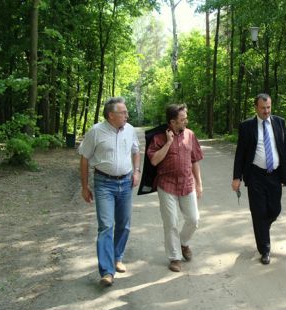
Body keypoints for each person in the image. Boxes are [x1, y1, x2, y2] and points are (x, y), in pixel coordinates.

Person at [78, 97, 141, 286]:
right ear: (111, 115)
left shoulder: (129, 130)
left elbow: (136, 151)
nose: (127, 115)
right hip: (104, 183)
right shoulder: (96, 132)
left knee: (124, 224)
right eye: (123, 112)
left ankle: (117, 257)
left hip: (126, 183)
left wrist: (137, 171)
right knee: (106, 225)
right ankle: (106, 271)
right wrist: (84, 186)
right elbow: (84, 158)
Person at [232, 93, 286, 265]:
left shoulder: (280, 122)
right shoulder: (246, 126)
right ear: (256, 108)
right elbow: (240, 154)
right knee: (258, 212)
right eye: (263, 108)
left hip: (275, 174)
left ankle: (262, 228)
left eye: (268, 107)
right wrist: (237, 177)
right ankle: (264, 249)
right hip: (255, 175)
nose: (266, 111)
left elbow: (285, 149)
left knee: (274, 210)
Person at [147, 103, 203, 272]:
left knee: (194, 220)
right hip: (167, 185)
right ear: (172, 122)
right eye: (182, 119)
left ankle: (183, 243)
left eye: (186, 118)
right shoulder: (158, 138)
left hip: (187, 184)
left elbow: (194, 160)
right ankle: (174, 257)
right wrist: (168, 143)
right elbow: (154, 160)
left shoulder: (190, 135)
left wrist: (199, 183)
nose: (186, 121)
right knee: (171, 223)